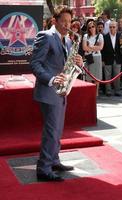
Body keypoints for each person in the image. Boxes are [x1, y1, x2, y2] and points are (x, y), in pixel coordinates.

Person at [30, 5, 83, 182]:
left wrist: (79, 62)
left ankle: (54, 160)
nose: (68, 25)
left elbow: (66, 65)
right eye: (64, 22)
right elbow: (35, 64)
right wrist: (52, 79)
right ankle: (43, 169)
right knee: (51, 131)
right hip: (49, 90)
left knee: (57, 130)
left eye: (70, 22)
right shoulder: (45, 36)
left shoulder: (67, 40)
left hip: (61, 91)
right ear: (55, 21)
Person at [82, 21, 104, 96]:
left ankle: (96, 93)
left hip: (97, 58)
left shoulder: (100, 36)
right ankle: (90, 92)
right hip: (89, 58)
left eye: (93, 26)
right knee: (88, 77)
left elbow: (101, 47)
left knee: (96, 77)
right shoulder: (85, 36)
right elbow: (84, 48)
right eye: (90, 27)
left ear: (95, 27)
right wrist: (95, 48)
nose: (91, 28)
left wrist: (90, 48)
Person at [102, 21, 122, 96]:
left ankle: (117, 90)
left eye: (113, 27)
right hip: (107, 59)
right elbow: (103, 50)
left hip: (117, 59)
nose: (112, 28)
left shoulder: (120, 36)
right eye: (110, 27)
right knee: (108, 76)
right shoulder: (105, 37)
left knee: (117, 76)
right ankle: (108, 91)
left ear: (116, 27)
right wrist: (103, 60)